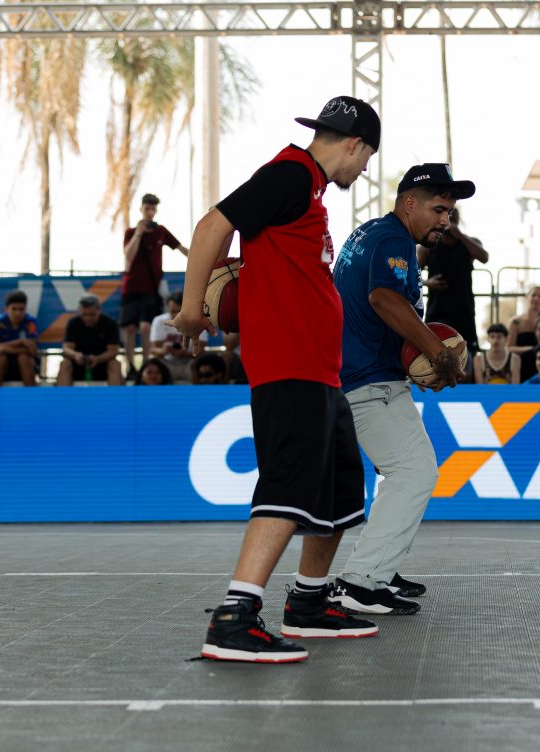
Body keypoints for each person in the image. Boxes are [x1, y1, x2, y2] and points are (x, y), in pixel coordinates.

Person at [168, 95, 381, 663]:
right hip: (289, 364)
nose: (363, 171)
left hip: (319, 367)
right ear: (355, 145)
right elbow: (213, 225)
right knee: (288, 485)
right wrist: (191, 310)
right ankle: (234, 618)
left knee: (339, 491)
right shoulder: (290, 173)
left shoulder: (309, 188)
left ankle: (308, 602)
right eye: (367, 159)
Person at [328, 163, 472, 615]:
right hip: (368, 381)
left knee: (403, 472)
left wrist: (412, 360)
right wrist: (437, 352)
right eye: (439, 210)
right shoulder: (394, 240)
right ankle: (360, 581)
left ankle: (379, 570)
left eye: (449, 213)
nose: (445, 220)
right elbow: (383, 298)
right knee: (415, 472)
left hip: (363, 374)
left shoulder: (370, 232)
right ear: (409, 203)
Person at [120, 193, 189, 379]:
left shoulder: (161, 231)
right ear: (141, 209)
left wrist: (200, 259)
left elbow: (180, 247)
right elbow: (128, 256)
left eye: (153, 209)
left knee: (145, 327)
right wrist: (138, 233)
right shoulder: (131, 232)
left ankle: (145, 364)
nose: (150, 212)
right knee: (129, 328)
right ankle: (130, 366)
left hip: (150, 289)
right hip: (131, 287)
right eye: (147, 208)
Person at [419, 204, 488, 357]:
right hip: (437, 310)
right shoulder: (429, 245)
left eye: (452, 216)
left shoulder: (469, 242)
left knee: (467, 353)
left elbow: (484, 257)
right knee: (434, 354)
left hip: (463, 309)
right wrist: (428, 283)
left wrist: (460, 235)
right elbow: (411, 273)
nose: (449, 220)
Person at [58, 294, 124, 386]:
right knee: (65, 364)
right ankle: (64, 394)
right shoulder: (73, 323)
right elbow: (67, 348)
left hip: (103, 364)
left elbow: (113, 351)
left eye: (92, 315)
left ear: (99, 310)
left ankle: (114, 395)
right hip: (78, 365)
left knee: (115, 364)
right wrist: (76, 355)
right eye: (84, 315)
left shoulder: (110, 323)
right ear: (80, 310)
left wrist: (97, 359)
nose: (88, 318)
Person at [149, 291, 208, 383]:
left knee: (202, 364)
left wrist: (186, 354)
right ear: (168, 308)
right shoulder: (159, 321)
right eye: (173, 311)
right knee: (153, 365)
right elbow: (153, 349)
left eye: (179, 311)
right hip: (166, 362)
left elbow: (201, 350)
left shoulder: (197, 321)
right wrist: (164, 351)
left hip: (190, 362)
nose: (176, 315)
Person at [0, 290, 38, 387]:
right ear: (6, 309)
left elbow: (33, 350)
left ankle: (31, 394)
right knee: (1, 358)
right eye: (14, 309)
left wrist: (4, 348)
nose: (17, 313)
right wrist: (20, 342)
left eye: (21, 309)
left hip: (25, 364)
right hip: (4, 365)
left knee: (23, 358)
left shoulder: (30, 322)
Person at [508, 285, 540, 353]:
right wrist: (531, 349)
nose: (536, 299)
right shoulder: (515, 322)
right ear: (527, 297)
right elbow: (509, 348)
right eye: (533, 295)